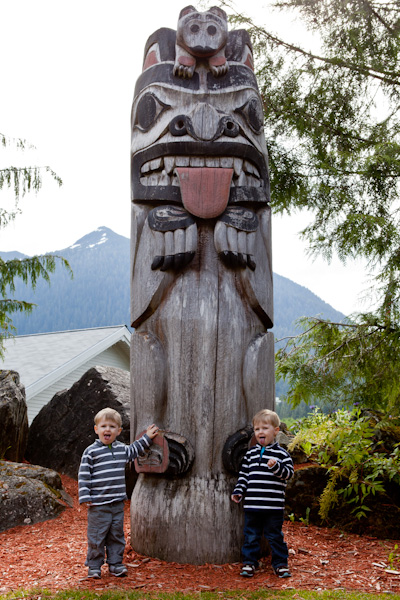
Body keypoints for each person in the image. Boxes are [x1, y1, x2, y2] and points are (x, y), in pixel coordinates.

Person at [78, 407, 159, 579]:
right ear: (96, 429)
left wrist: (148, 437)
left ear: (119, 431)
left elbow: (135, 450)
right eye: (104, 426)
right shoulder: (91, 452)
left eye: (112, 427)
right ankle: (94, 566)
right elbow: (84, 474)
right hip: (98, 505)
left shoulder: (122, 450)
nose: (107, 429)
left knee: (116, 535)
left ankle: (115, 564)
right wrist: (85, 496)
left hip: (117, 503)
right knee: (97, 536)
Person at [231, 408, 294, 578]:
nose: (260, 432)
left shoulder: (282, 454)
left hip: (273, 507)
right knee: (251, 536)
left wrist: (276, 467)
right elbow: (244, 476)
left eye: (265, 428)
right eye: (257, 429)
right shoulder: (250, 454)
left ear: (276, 431)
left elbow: (289, 474)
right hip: (252, 505)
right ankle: (250, 563)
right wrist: (238, 491)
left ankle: (280, 564)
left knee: (274, 536)